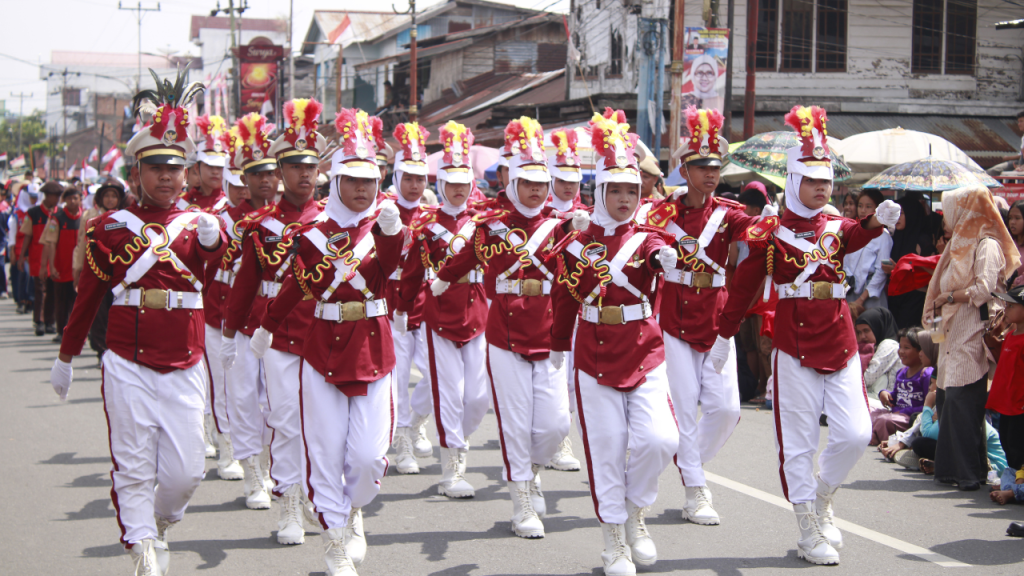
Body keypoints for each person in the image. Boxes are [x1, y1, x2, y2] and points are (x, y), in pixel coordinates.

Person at [49, 70, 227, 575]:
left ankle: (161, 522)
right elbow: (87, 298)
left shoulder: (201, 226)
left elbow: (218, 274)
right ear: (137, 173)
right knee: (132, 461)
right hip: (126, 357)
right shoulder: (108, 228)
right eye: (156, 168)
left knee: (187, 472)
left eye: (175, 167)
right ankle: (142, 547)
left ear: (186, 173)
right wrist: (67, 356)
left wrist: (214, 243)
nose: (167, 177)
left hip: (186, 357)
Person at [714, 105, 901, 565]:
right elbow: (742, 287)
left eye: (827, 182)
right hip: (793, 347)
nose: (822, 189)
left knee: (857, 434)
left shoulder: (838, 226)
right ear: (794, 182)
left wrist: (879, 221)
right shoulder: (770, 231)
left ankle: (822, 495)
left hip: (839, 342)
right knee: (796, 443)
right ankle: (806, 526)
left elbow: (858, 234)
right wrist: (723, 335)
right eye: (812, 181)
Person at [250, 107, 403, 576]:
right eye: (352, 181)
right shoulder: (312, 236)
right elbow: (295, 285)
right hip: (322, 352)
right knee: (324, 449)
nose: (362, 190)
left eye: (370, 181)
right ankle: (334, 539)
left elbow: (392, 270)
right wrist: (266, 327)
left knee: (368, 457)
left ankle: (354, 509)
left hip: (374, 350)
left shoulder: (387, 226)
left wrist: (393, 233)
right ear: (333, 182)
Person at [432, 116, 580, 539]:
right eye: (527, 182)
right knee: (515, 422)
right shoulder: (491, 224)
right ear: (512, 182)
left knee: (554, 426)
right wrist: (440, 282)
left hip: (551, 334)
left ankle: (531, 472)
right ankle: (520, 499)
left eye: (541, 183)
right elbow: (465, 259)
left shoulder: (563, 225)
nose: (536, 190)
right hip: (505, 334)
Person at [549, 108, 678, 575]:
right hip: (594, 351)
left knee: (660, 440)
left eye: (632, 190)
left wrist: (666, 258)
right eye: (615, 190)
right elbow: (565, 299)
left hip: (644, 347)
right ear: (598, 192)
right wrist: (558, 348)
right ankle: (612, 540)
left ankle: (636, 512)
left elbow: (660, 260)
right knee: (606, 447)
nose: (625, 198)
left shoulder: (650, 238)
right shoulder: (576, 239)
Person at [655, 107, 763, 526]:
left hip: (717, 320)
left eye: (715, 167)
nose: (710, 174)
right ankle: (696, 488)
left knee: (725, 409)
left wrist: (770, 223)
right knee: (683, 407)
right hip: (674, 320)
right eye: (701, 166)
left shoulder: (729, 213)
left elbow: (752, 232)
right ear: (685, 169)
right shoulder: (663, 212)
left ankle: (687, 460)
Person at [226, 102, 328, 542]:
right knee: (285, 419)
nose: (304, 175)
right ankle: (288, 502)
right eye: (294, 167)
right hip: (278, 334)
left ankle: (320, 496)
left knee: (322, 423)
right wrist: (230, 335)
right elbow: (245, 284)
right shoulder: (259, 224)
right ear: (280, 171)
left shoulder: (334, 219)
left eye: (310, 167)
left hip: (326, 332)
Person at [396, 121, 489, 491]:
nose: (457, 190)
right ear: (441, 185)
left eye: (463, 184)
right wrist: (402, 308)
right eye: (450, 184)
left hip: (479, 311)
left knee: (478, 397)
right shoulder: (426, 224)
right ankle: (453, 465)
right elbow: (413, 272)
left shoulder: (484, 221)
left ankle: (445, 434)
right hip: (438, 314)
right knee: (448, 392)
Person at [923, 184, 1020, 491]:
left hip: (972, 335)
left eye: (951, 209)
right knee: (951, 403)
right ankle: (959, 472)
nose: (946, 216)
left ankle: (968, 474)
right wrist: (943, 302)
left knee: (963, 407)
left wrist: (949, 296)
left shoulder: (986, 244)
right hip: (952, 335)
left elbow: (984, 290)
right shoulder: (959, 244)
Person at [388, 122, 437, 475]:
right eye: (408, 177)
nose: (415, 185)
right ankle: (401, 436)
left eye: (420, 178)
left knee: (437, 374)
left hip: (426, 299)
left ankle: (417, 420)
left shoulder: (433, 216)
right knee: (398, 375)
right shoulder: (383, 211)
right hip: (390, 301)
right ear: (396, 176)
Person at [542, 127, 586, 472]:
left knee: (572, 374)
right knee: (552, 373)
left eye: (575, 178)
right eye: (562, 178)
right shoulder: (538, 211)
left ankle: (563, 437)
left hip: (577, 302)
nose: (569, 185)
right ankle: (553, 436)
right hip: (542, 302)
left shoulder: (590, 213)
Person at [73, 179, 126, 361]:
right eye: (107, 196)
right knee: (98, 312)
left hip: (120, 273)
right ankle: (100, 350)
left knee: (116, 311)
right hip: (95, 271)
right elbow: (82, 244)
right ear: (100, 198)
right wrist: (77, 269)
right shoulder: (90, 216)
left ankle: (115, 349)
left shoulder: (128, 217)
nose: (110, 200)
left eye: (114, 196)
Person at [869, 327, 931, 445]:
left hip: (910, 417)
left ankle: (889, 443)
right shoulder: (901, 372)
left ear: (921, 351)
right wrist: (884, 394)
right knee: (870, 412)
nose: (901, 351)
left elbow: (927, 407)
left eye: (906, 348)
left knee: (884, 420)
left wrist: (905, 411)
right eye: (900, 347)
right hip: (897, 414)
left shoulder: (926, 374)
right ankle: (875, 435)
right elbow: (896, 398)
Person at [988, 285, 1024, 481]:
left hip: (1020, 405)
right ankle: (1011, 480)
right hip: (1007, 403)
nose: (1006, 309)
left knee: (1017, 444)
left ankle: (1016, 483)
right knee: (1006, 442)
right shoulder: (1009, 335)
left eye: (1011, 306)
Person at [885, 194, 937, 329]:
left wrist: (898, 270)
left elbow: (929, 276)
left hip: (914, 298)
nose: (897, 218)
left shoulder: (922, 242)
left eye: (901, 213)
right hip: (895, 297)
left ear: (911, 213)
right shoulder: (893, 237)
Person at [39, 186, 82, 343]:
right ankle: (60, 331)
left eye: (75, 198)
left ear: (80, 200)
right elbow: (50, 243)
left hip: (78, 269)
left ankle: (76, 332)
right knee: (61, 301)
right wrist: (51, 266)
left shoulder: (84, 218)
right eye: (69, 198)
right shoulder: (56, 219)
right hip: (61, 268)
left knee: (77, 302)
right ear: (64, 200)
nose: (72, 201)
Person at [20, 181, 62, 336]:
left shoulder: (61, 214)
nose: (57, 199)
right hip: (38, 258)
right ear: (47, 196)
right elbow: (27, 235)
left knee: (52, 291)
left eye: (59, 196)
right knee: (40, 290)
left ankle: (50, 322)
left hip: (56, 259)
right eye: (54, 196)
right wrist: (21, 256)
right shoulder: (33, 213)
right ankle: (39, 321)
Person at [844, 189, 892, 313]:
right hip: (848, 292)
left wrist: (861, 299)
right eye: (860, 206)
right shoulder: (851, 231)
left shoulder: (883, 236)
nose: (863, 210)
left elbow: (881, 271)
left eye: (868, 206)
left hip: (871, 296)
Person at [176, 114, 228, 213]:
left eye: (220, 167)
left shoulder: (229, 204)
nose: (215, 172)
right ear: (196, 168)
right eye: (209, 166)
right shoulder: (180, 202)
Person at [855, 307, 902, 400]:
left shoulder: (889, 345)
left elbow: (868, 378)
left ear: (878, 326)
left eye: (866, 330)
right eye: (859, 332)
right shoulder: (877, 346)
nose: (862, 336)